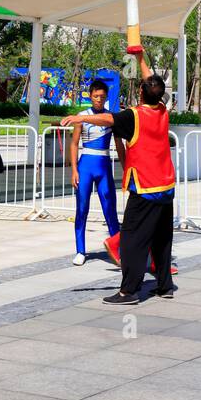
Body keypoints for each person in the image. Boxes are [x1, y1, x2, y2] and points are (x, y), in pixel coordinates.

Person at [62, 56, 175, 305]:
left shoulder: (135, 115)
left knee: (132, 239)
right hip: (166, 187)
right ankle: (165, 286)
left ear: (141, 93)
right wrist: (140, 56)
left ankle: (128, 291)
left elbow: (107, 119)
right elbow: (153, 84)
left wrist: (80, 118)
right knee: (162, 239)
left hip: (145, 187)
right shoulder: (162, 110)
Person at [69, 79, 123, 267]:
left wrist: (126, 169)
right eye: (95, 96)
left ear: (106, 97)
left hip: (104, 165)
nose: (99, 100)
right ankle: (80, 250)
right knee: (81, 208)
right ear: (90, 96)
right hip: (86, 166)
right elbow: (74, 144)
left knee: (110, 209)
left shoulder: (111, 117)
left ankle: (117, 250)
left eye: (102, 97)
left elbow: (119, 145)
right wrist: (74, 170)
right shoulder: (82, 116)